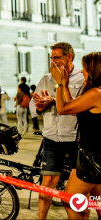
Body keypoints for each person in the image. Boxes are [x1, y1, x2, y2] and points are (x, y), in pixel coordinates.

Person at [29, 42, 83, 219]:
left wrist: (56, 99)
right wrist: (39, 106)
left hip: (75, 138)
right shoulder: (46, 79)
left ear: (69, 57)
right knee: (48, 181)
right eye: (51, 58)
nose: (53, 62)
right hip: (52, 137)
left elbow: (82, 107)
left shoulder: (82, 78)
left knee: (84, 183)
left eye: (57, 57)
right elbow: (31, 108)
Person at [51, 51, 101, 219]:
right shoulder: (95, 93)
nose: (81, 71)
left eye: (85, 68)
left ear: (94, 69)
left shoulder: (96, 94)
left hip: (93, 159)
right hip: (91, 157)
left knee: (69, 200)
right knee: (98, 203)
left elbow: (63, 109)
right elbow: (73, 110)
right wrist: (65, 84)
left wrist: (58, 84)